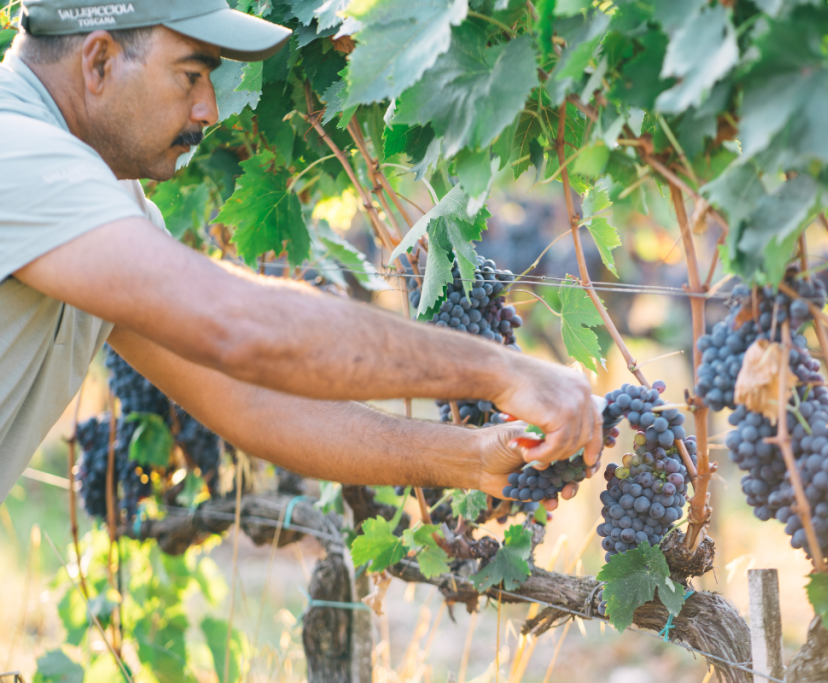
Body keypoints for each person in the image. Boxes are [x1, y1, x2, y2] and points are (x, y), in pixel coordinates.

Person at [0, 0, 604, 507]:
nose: (209, 108)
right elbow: (241, 326)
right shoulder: (18, 156)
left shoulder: (104, 196)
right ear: (99, 60)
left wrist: (472, 458)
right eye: (190, 74)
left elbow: (248, 400)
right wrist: (503, 371)